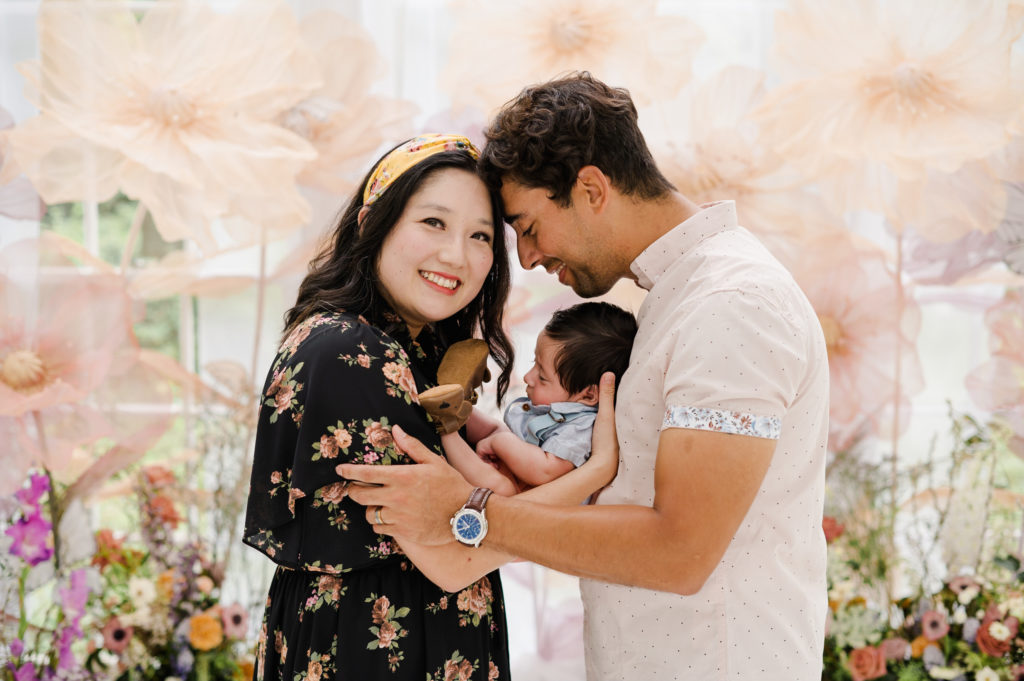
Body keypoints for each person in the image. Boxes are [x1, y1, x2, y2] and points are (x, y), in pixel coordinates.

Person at [338, 74, 830, 681]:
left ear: (591, 189)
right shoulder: (683, 299)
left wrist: (469, 510)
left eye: (529, 226)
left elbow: (680, 553)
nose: (527, 258)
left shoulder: (733, 304)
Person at [242, 133, 619, 681]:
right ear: (376, 221)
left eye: (480, 235)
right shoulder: (347, 350)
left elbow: (478, 509)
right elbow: (450, 559)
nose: (456, 255)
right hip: (366, 653)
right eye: (434, 223)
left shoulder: (417, 350)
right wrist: (596, 473)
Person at [443, 301, 636, 496]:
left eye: (543, 377)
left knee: (501, 488)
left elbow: (544, 470)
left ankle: (446, 429)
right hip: (518, 459)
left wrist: (499, 443)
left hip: (530, 502)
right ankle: (457, 406)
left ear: (588, 395)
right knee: (494, 428)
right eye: (534, 363)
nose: (528, 377)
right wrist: (498, 437)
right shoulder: (565, 407)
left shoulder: (582, 427)